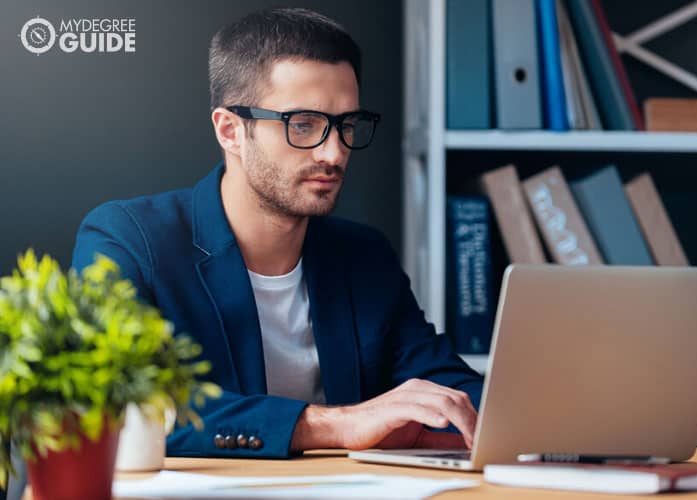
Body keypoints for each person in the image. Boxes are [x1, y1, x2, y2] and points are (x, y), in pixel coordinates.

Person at [72, 7, 482, 458]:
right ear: (230, 130)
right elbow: (123, 405)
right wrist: (336, 424)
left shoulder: (362, 255)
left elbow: (445, 384)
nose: (334, 152)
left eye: (347, 125)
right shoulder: (129, 241)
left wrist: (516, 414)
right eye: (302, 124)